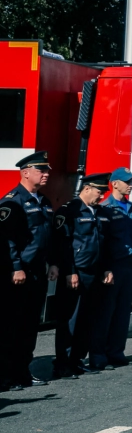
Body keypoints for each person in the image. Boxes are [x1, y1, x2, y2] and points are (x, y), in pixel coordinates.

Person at [2, 151, 57, 390]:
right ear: (25, 173)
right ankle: (6, 376)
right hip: (19, 273)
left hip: (37, 272)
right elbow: (7, 239)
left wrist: (53, 262)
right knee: (11, 326)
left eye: (46, 171)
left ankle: (23, 372)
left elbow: (49, 237)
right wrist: (16, 267)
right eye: (41, 171)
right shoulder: (12, 201)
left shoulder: (43, 201)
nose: (46, 175)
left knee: (29, 326)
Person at [50, 172, 109, 379]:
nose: (101, 195)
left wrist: (105, 269)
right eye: (98, 191)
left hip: (93, 272)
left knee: (86, 320)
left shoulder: (99, 212)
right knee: (70, 321)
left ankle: (77, 360)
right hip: (76, 274)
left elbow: (103, 244)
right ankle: (62, 364)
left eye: (103, 192)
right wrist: (70, 272)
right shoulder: (70, 211)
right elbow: (63, 245)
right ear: (86, 188)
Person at [91, 167, 132, 369]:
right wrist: (106, 268)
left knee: (122, 312)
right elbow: (102, 243)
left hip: (129, 266)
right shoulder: (105, 208)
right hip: (112, 267)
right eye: (127, 181)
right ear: (115, 184)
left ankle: (116, 352)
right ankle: (98, 355)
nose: (131, 185)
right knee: (105, 313)